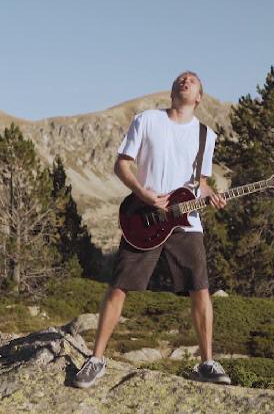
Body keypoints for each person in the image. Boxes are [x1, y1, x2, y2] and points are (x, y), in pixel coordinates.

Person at [72, 71, 230, 389]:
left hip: (187, 221)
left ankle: (207, 363)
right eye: (181, 78)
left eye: (192, 80)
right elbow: (122, 164)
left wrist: (210, 195)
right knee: (119, 286)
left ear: (199, 96)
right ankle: (96, 359)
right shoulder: (147, 120)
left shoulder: (205, 135)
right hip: (144, 216)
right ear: (173, 90)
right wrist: (143, 193)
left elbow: (199, 182)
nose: (185, 80)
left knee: (200, 289)